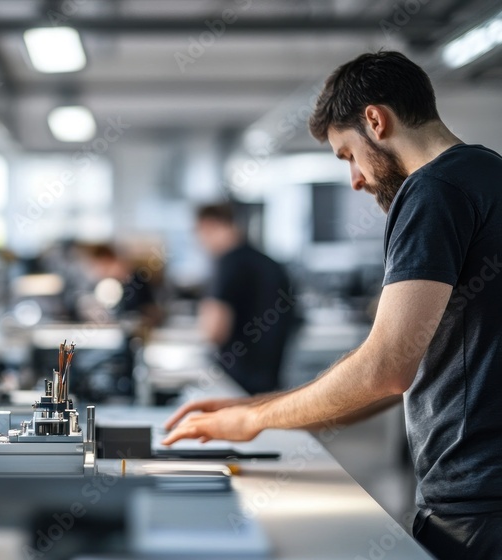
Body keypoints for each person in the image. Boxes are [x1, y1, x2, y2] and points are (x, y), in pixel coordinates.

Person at [162, 51, 502, 559]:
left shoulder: (432, 189)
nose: (356, 180)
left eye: (347, 155)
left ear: (375, 119)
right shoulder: (487, 173)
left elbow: (386, 367)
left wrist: (251, 422)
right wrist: (259, 408)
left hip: (475, 508)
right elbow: (406, 372)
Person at [194, 203, 295, 394]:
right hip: (270, 383)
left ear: (209, 225)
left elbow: (214, 331)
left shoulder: (227, 264)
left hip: (235, 384)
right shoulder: (270, 264)